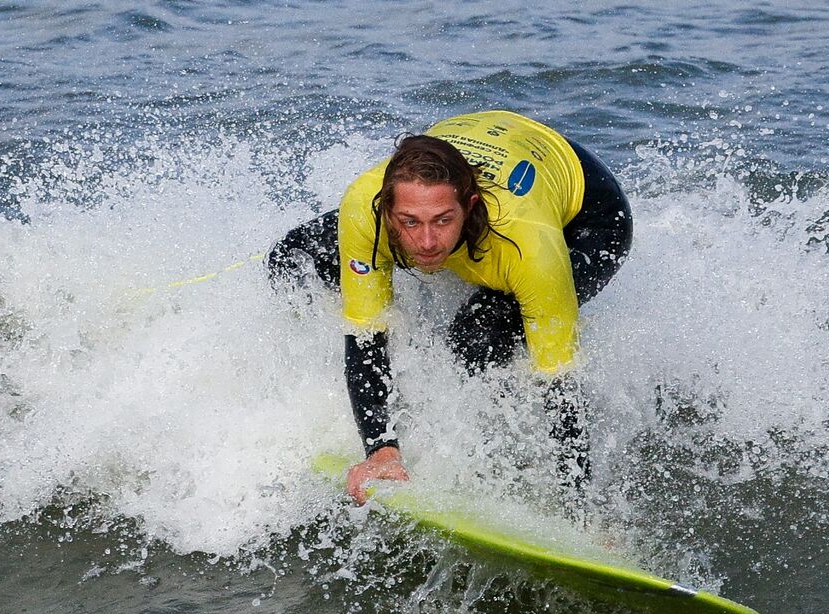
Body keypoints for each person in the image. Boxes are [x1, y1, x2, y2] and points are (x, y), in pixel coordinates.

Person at [268, 110, 632, 503]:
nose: (426, 242)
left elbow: (559, 384)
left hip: (590, 215)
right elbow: (364, 335)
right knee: (292, 261)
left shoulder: (528, 247)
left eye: (443, 221)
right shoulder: (363, 207)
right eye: (408, 222)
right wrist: (380, 449)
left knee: (475, 338)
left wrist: (578, 511)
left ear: (469, 206)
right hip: (479, 137)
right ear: (386, 208)